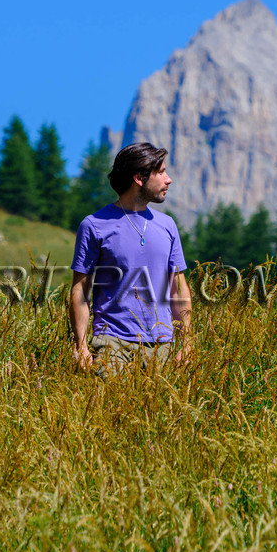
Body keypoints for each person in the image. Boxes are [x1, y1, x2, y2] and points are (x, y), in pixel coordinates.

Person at [68, 142, 192, 377]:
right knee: (109, 410)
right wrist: (81, 345)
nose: (169, 180)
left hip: (161, 346)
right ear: (138, 178)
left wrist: (186, 344)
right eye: (161, 172)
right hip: (111, 343)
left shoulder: (168, 226)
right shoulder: (94, 225)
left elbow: (178, 290)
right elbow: (80, 290)